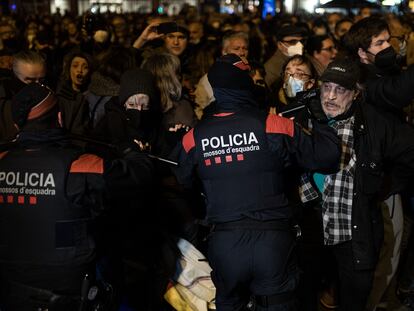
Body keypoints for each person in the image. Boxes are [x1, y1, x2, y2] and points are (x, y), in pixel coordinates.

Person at [173, 54, 341, 311]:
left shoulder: (194, 138)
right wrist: (318, 116)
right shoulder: (275, 126)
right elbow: (327, 158)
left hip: (225, 241)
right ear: (245, 84)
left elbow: (184, 184)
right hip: (272, 242)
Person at [0, 83, 154, 311]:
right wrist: (133, 151)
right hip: (69, 288)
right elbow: (137, 177)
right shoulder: (80, 165)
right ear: (60, 118)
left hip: (9, 285)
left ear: (16, 125)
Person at [297, 58, 414, 311]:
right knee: (305, 295)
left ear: (355, 94)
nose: (330, 96)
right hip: (311, 226)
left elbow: (409, 154)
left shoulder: (375, 122)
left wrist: (385, 186)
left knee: (354, 299)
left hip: (354, 230)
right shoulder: (304, 115)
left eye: (340, 90)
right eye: (326, 87)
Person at [343, 17, 414, 309]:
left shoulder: (383, 70)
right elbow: (397, 92)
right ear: (362, 53)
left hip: (394, 176)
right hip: (381, 181)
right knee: (388, 249)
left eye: (389, 40)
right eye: (380, 43)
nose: (388, 47)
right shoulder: (362, 80)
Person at [0, 50, 46, 142]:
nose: (38, 86)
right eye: (30, 80)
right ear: (15, 77)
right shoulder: (4, 107)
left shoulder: (50, 99)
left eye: (41, 80)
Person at [264, 24, 307, 89]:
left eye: (302, 41)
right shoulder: (271, 68)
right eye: (292, 41)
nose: (300, 45)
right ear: (280, 45)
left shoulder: (303, 59)